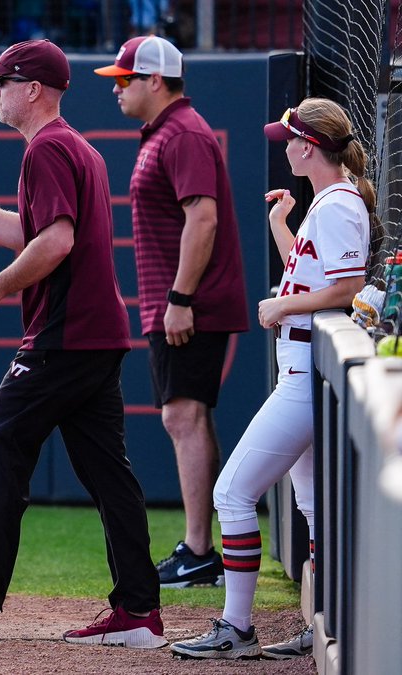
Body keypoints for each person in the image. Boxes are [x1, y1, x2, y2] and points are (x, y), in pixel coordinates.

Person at [0, 39, 165, 648]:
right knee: (108, 474)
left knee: (3, 444)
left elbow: (55, 243)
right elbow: (34, 232)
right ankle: (139, 612)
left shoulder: (48, 149)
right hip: (95, 334)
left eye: (3, 81)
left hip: (64, 335)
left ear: (33, 89)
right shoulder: (72, 146)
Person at [170, 98, 372, 659]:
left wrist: (280, 309)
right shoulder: (327, 200)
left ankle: (236, 627)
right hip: (304, 366)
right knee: (309, 505)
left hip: (308, 372)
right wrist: (282, 229)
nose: (284, 147)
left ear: (309, 145)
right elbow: (311, 276)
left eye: (288, 139)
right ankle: (324, 621)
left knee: (232, 493)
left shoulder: (337, 202)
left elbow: (349, 287)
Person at [94, 35, 248, 589]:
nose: (117, 88)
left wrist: (181, 299)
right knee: (189, 415)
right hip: (182, 301)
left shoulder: (181, 133)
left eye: (124, 79)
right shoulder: (172, 131)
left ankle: (201, 549)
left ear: (154, 80)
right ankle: (202, 547)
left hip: (190, 303)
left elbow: (202, 220)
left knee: (182, 416)